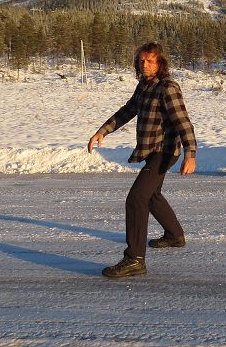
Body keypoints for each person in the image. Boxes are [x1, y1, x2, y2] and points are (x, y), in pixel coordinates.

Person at [88, 41, 197, 278]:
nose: (144, 65)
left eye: (150, 61)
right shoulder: (144, 87)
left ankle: (134, 259)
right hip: (151, 151)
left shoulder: (168, 88)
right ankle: (174, 235)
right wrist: (102, 131)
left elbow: (183, 122)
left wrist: (191, 153)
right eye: (142, 60)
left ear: (160, 63)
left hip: (164, 152)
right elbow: (127, 111)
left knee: (137, 197)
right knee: (151, 195)